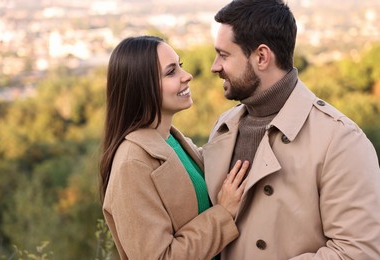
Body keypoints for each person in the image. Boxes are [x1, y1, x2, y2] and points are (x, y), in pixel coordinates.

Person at [202, 0, 380, 259]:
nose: (215, 66)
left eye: (224, 55)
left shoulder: (340, 140)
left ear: (261, 57)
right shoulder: (224, 126)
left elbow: (358, 251)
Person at [99, 35, 249, 259]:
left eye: (180, 66)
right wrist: (223, 213)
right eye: (171, 72)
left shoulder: (173, 141)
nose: (186, 76)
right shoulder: (133, 163)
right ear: (142, 86)